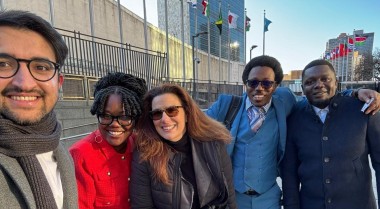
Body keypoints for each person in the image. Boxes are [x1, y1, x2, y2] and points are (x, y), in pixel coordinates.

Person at [206, 55, 380, 209]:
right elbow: (195, 123)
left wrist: (355, 93)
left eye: (267, 83)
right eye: (253, 82)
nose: (259, 88)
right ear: (246, 84)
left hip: (268, 198)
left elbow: (323, 96)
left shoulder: (286, 102)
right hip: (234, 197)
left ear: (275, 86)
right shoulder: (227, 105)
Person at [0, 10, 78, 209]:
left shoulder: (60, 151)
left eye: (41, 67)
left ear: (59, 82)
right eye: (4, 64)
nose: (24, 83)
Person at [281, 59, 380, 209]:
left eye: (325, 79)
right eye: (310, 81)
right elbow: (289, 174)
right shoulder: (294, 116)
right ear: (302, 88)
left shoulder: (363, 110)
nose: (318, 85)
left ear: (336, 82)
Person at [130, 83, 237, 209]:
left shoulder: (214, 145)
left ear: (186, 113)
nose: (164, 119)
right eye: (157, 113)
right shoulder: (145, 155)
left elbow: (229, 198)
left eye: (171, 110)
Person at [69, 72, 147, 209]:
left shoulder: (140, 145)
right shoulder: (81, 155)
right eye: (106, 115)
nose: (114, 124)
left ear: (136, 117)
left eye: (124, 116)